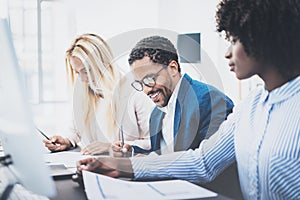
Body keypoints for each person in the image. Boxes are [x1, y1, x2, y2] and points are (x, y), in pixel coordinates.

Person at [76, 0, 300, 199]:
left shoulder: (212, 101)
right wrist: (120, 164)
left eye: (234, 39)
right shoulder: (250, 107)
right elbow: (202, 161)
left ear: (262, 36)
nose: (227, 53)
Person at [113, 35, 234, 155]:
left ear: (173, 68)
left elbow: (210, 162)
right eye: (140, 83)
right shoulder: (156, 114)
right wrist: (132, 151)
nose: (146, 90)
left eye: (149, 79)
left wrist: (152, 165)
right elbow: (165, 154)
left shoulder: (211, 101)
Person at [43, 33, 154, 155]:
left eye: (86, 71)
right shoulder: (86, 94)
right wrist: (66, 140)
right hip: (92, 165)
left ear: (102, 64)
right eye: (77, 73)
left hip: (124, 167)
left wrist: (112, 147)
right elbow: (75, 131)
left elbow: (153, 141)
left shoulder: (135, 92)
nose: (83, 79)